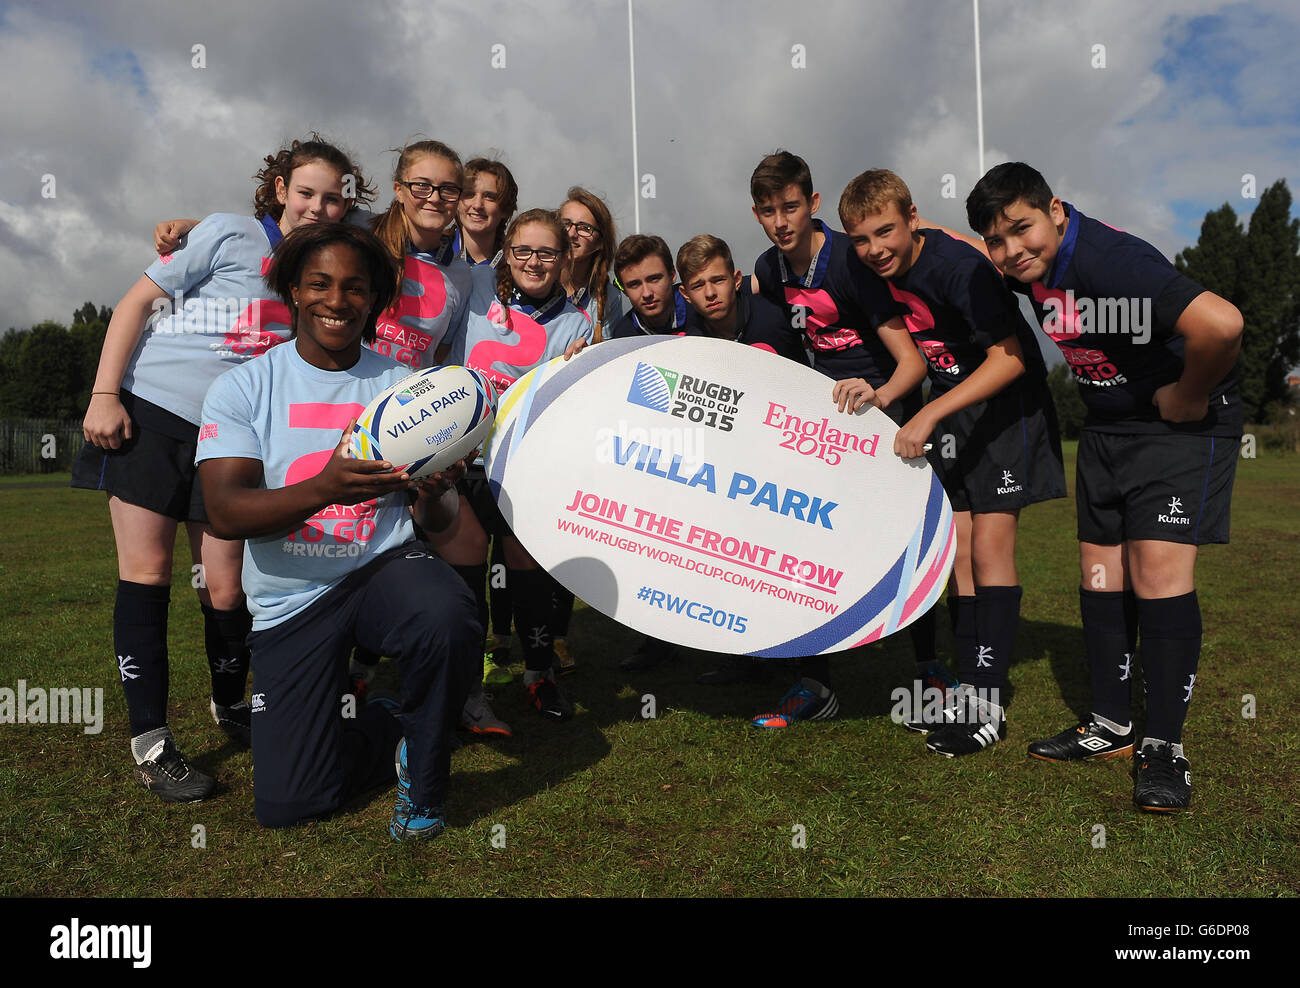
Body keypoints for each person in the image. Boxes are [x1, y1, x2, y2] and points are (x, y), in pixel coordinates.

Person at [72, 137, 372, 802]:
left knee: (227, 590)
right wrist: (104, 394)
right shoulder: (229, 233)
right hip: (152, 417)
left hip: (231, 442)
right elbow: (133, 305)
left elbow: (404, 228)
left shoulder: (323, 264)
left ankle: (230, 705)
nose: (318, 206)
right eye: (306, 192)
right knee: (147, 574)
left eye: (332, 198)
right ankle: (151, 743)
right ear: (279, 190)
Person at [965, 162, 1242, 810]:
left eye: (1022, 229)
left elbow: (1222, 324)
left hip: (1177, 428)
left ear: (1055, 211)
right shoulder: (1031, 269)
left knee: (1157, 574)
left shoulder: (1110, 262)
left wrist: (1187, 394)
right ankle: (1112, 725)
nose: (1011, 250)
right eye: (996, 240)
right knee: (1100, 575)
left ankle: (1163, 749)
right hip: (1108, 427)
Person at [196, 221, 479, 839]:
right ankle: (389, 725)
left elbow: (437, 522)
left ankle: (426, 785)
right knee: (290, 805)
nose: (337, 300)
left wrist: (434, 496)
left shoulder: (404, 387)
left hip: (381, 567)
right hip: (290, 597)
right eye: (319, 283)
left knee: (447, 615)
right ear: (293, 289)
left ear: (375, 298)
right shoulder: (242, 387)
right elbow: (225, 511)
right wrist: (324, 489)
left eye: (355, 287)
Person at [838, 169, 1067, 755]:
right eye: (861, 239)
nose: (874, 249)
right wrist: (885, 394)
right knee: (957, 553)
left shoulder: (960, 268)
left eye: (885, 231)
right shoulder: (876, 270)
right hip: (956, 415)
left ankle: (987, 704)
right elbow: (917, 357)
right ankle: (968, 686)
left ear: (911, 217)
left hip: (1005, 410)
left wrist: (931, 412)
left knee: (990, 550)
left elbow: (1013, 358)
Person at [747, 150, 932, 729]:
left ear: (814, 204)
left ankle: (930, 672)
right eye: (770, 211)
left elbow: (912, 363)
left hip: (885, 419)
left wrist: (879, 401)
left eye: (792, 207)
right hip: (824, 429)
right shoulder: (770, 269)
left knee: (902, 546)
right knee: (805, 546)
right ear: (756, 214)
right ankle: (814, 684)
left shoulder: (850, 263)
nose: (782, 221)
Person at [441, 209, 595, 722]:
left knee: (526, 574)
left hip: (523, 469)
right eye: (523, 250)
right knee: (464, 576)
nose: (534, 261)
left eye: (547, 252)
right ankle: (467, 690)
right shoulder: (477, 285)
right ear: (507, 252)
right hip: (460, 461)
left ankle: (539, 675)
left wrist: (581, 363)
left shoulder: (578, 323)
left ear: (564, 257)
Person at [607, 234, 697, 339]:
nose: (647, 293)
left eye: (654, 279)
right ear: (624, 290)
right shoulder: (622, 336)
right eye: (634, 284)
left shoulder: (701, 310)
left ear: (672, 275)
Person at [452, 157, 518, 267]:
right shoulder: (433, 250)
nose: (477, 205)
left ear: (506, 209)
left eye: (489, 197)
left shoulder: (517, 265)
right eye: (469, 194)